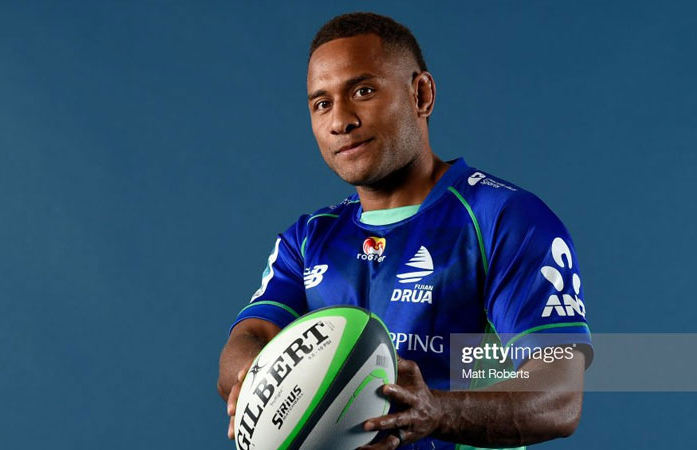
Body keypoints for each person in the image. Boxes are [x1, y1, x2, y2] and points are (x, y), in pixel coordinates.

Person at [218, 12, 592, 450]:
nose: (341, 121)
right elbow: (248, 340)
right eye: (322, 104)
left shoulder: (505, 218)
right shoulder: (306, 239)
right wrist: (253, 381)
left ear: (421, 94)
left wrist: (435, 413)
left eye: (363, 91)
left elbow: (559, 397)